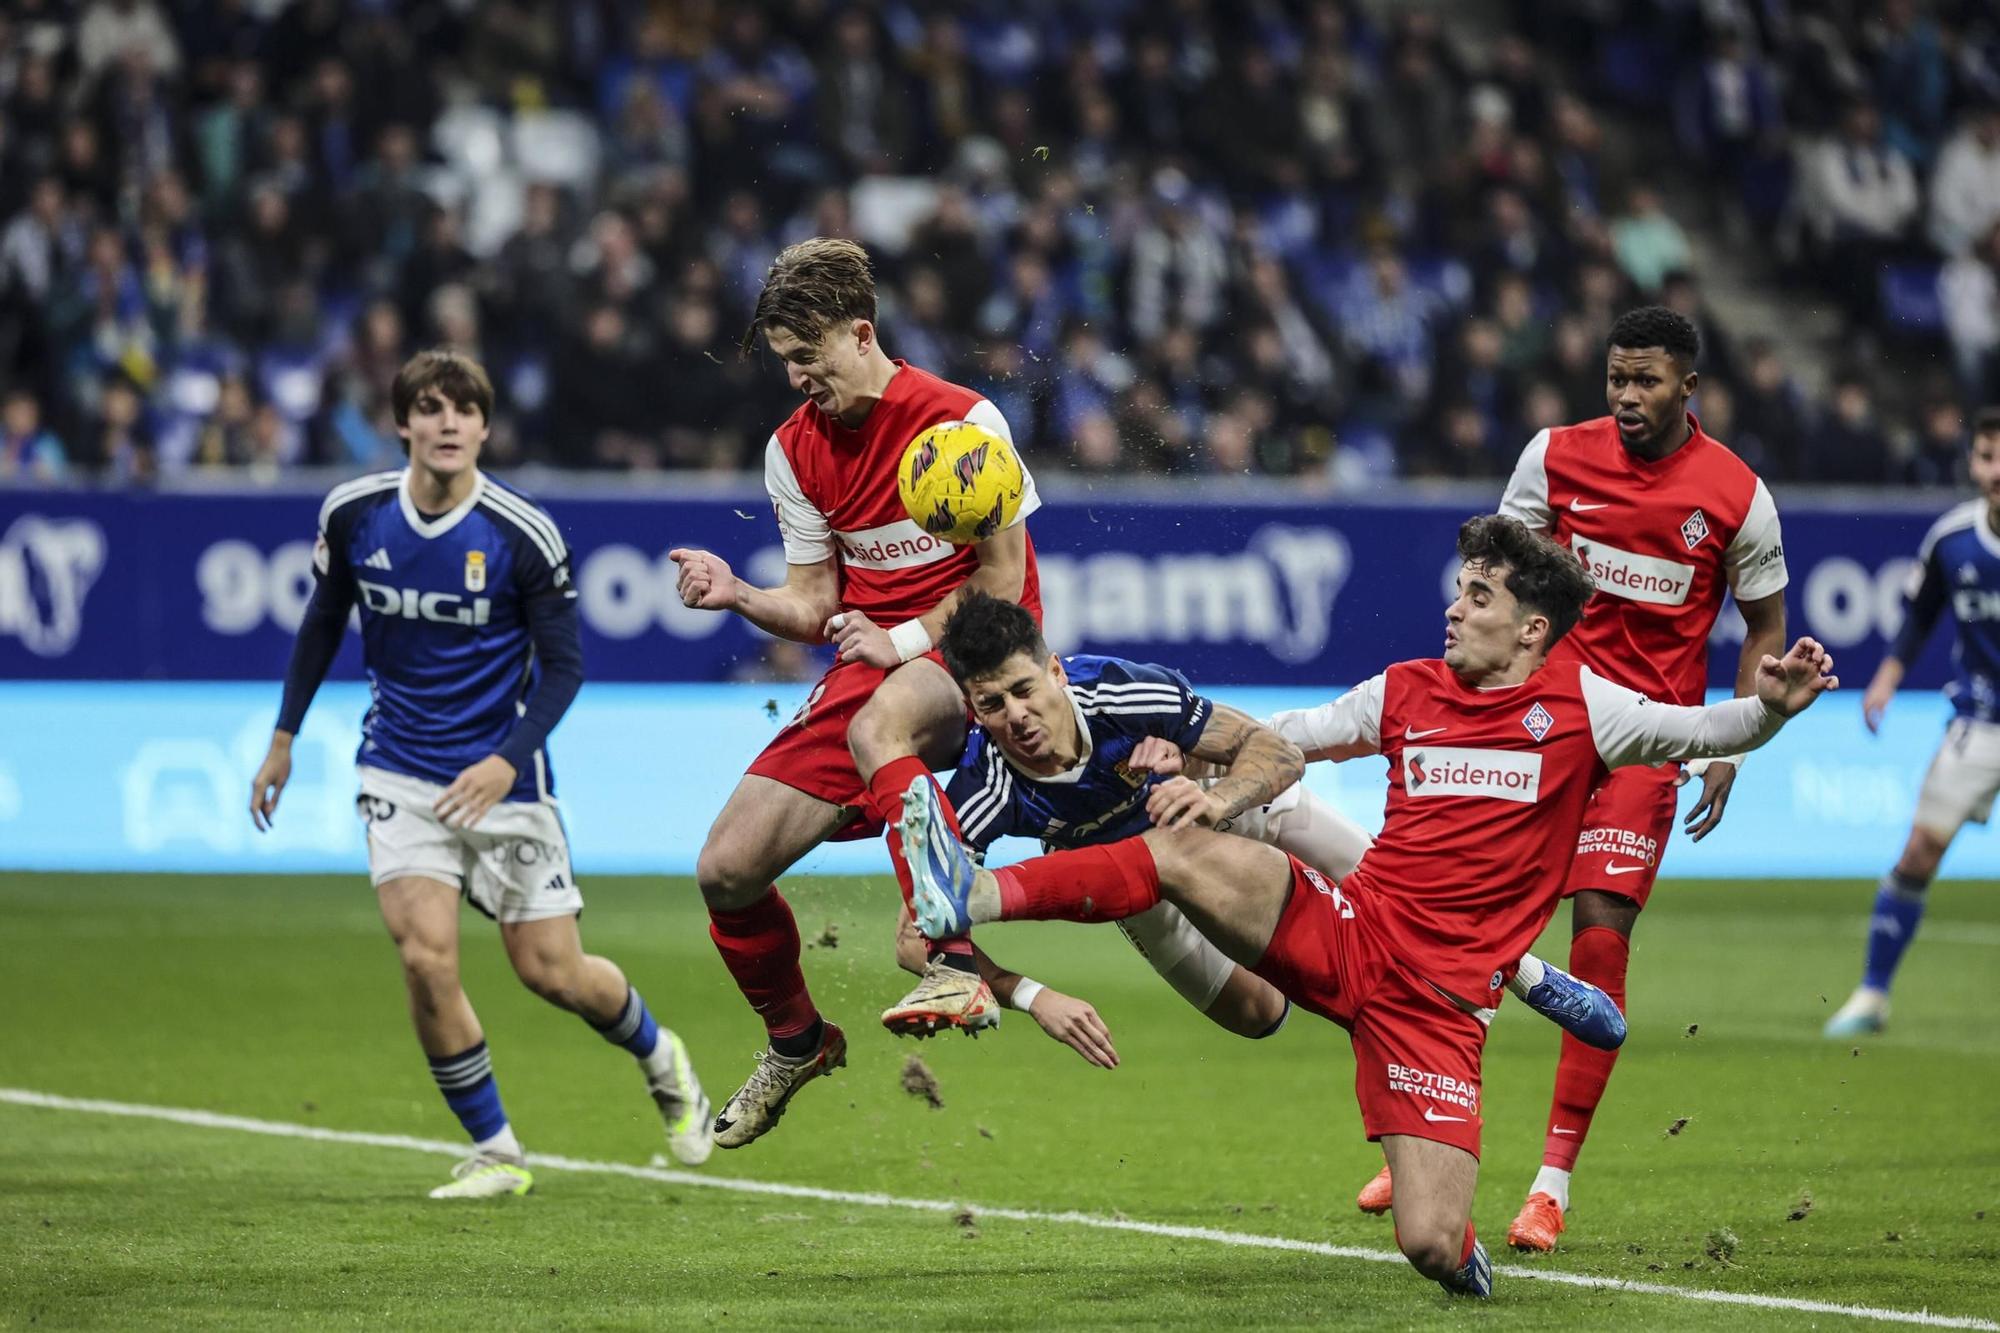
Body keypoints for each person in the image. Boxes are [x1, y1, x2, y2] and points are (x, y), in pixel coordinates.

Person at [904, 516, 1837, 1298]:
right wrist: (1206, 777)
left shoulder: (1588, 709)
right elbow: (1291, 736)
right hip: (1354, 927)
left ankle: (1509, 979)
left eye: (1479, 597)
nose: (1454, 606)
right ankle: (976, 888)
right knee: (1186, 863)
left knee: (1429, 1241)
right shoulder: (1404, 689)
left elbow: (1702, 727)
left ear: (1531, 629)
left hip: (1436, 1007)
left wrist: (1774, 711)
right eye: (1459, 589)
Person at [247, 350, 712, 1198]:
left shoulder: (520, 533)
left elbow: (565, 668)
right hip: (399, 768)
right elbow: (321, 621)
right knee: (426, 958)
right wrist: (283, 738)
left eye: (465, 409)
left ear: (486, 427)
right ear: (404, 424)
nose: (449, 422)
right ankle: (497, 1148)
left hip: (506, 780)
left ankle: (660, 1054)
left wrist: (506, 760)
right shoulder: (354, 514)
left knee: (553, 973)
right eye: (431, 407)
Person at [908, 590, 1627, 1068]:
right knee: (1258, 1014)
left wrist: (1211, 796)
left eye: (1026, 689)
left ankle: (1525, 972)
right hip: (1144, 880)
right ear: (973, 709)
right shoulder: (984, 788)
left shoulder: (1123, 691)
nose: (1017, 716)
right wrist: (1036, 996)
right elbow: (916, 940)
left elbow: (1276, 750)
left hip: (1217, 807)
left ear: (1057, 672)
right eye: (992, 703)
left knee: (1389, 897)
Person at [667, 238, 1042, 1149]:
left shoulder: (962, 422)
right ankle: (796, 1040)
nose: (798, 378)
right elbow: (816, 603)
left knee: (884, 713)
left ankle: (951, 959)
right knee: (725, 867)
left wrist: (907, 638)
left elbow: (1003, 575)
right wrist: (742, 595)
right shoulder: (793, 452)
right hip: (873, 672)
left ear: (860, 332)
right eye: (786, 362)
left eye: (810, 356)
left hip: (988, 661)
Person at [1479, 305, 1789, 1251]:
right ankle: (1427, 1137)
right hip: (1542, 729)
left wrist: (1727, 745)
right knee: (1466, 924)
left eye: (1646, 380)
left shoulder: (1736, 495)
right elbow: (1495, 576)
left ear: (1688, 387)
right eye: (1616, 377)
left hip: (1645, 747)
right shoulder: (1554, 457)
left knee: (1598, 945)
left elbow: (1766, 631)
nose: (1625, 397)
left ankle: (1550, 1186)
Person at [1827, 408, 2000, 1037]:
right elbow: (1922, 612)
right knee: (1919, 850)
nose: (1996, 470)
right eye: (1987, 455)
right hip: (1980, 723)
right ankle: (1872, 995)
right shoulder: (1952, 539)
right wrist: (1889, 675)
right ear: (1974, 461)